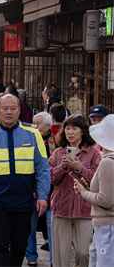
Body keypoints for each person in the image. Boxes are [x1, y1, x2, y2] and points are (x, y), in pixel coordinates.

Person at [0, 94, 51, 267]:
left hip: (24, 198)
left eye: (13, 108)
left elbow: (43, 169)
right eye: (5, 108)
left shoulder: (32, 133)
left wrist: (43, 196)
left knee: (19, 245)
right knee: (0, 246)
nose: (9, 112)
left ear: (20, 110)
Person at [49, 114, 101, 267]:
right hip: (61, 208)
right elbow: (51, 179)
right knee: (60, 255)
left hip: (85, 209)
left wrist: (80, 168)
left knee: (84, 252)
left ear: (83, 131)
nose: (70, 132)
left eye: (74, 128)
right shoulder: (58, 152)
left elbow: (97, 181)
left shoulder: (93, 153)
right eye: (67, 128)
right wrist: (62, 167)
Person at [73, 114, 114, 267]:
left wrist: (84, 192)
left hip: (107, 225)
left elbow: (106, 200)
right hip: (105, 225)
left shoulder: (107, 163)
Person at [26, 112, 56, 266]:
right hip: (32, 186)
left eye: (37, 123)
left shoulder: (55, 142)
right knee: (29, 224)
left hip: (51, 187)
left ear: (48, 126)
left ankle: (54, 260)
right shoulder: (28, 139)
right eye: (33, 122)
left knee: (52, 225)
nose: (34, 125)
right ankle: (31, 255)